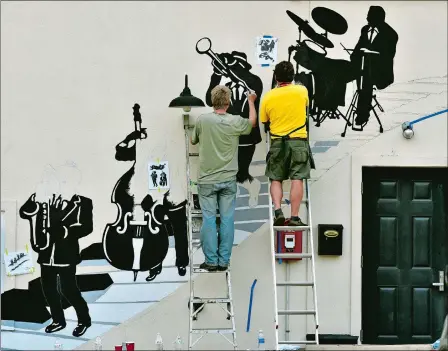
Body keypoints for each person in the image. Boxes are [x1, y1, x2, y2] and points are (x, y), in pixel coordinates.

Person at [19, 164, 93, 337]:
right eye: (62, 181)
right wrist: (34, 197)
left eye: (67, 181)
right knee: (49, 291)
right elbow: (24, 212)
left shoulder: (83, 202)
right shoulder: (47, 199)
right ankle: (58, 320)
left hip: (66, 255)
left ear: (75, 182)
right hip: (45, 254)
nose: (63, 184)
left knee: (70, 290)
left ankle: (84, 320)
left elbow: (86, 227)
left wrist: (65, 232)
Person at [191, 85, 257, 271]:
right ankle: (224, 261)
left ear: (212, 101)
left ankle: (211, 261)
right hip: (228, 179)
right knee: (227, 219)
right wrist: (251, 102)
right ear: (228, 102)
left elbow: (193, 140)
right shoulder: (235, 121)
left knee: (209, 219)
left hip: (206, 180)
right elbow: (252, 122)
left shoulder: (203, 120)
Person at [260, 61, 311, 227]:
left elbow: (264, 121)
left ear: (275, 77)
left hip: (277, 141)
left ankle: (278, 211)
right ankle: (294, 217)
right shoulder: (302, 91)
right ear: (293, 76)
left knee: (276, 177)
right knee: (297, 178)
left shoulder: (268, 96)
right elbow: (306, 109)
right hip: (298, 141)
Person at [350, 5, 398, 126]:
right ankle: (361, 110)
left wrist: (374, 55)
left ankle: (362, 114)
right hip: (365, 67)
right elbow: (359, 46)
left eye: (369, 15)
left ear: (377, 17)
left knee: (366, 80)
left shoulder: (391, 34)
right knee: (360, 76)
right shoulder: (365, 29)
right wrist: (354, 56)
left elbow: (389, 56)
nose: (367, 17)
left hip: (380, 70)